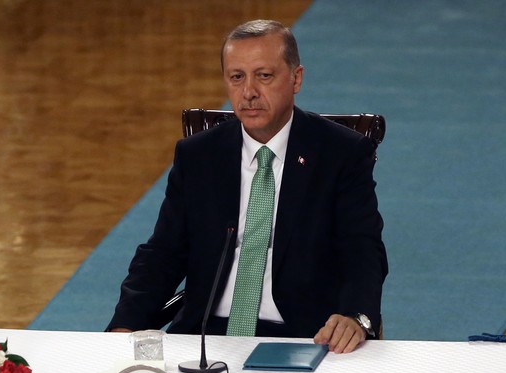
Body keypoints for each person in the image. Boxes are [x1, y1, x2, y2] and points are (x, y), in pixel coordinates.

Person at [107, 19, 387, 354]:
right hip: (205, 336)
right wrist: (125, 324)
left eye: (263, 76)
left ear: (296, 78)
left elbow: (362, 250)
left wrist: (355, 316)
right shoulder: (199, 155)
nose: (249, 92)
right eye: (236, 77)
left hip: (304, 335)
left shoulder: (341, 154)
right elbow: (163, 253)